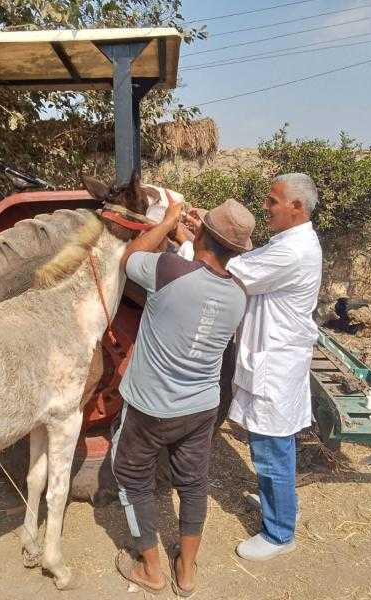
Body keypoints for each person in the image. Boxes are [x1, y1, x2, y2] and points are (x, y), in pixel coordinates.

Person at [112, 195, 255, 595]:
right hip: (201, 408)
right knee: (193, 485)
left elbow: (129, 255)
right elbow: (202, 283)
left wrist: (169, 221)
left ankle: (151, 570)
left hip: (149, 407)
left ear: (204, 233)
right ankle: (187, 572)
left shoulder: (168, 268)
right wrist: (192, 238)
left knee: (132, 479)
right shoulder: (239, 294)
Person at [182, 172, 322, 562]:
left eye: (272, 201)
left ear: (296, 206)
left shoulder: (292, 251)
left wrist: (192, 243)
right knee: (272, 443)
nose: (266, 207)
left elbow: (230, 271)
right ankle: (279, 507)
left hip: (275, 363)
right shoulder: (291, 242)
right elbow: (252, 259)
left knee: (271, 446)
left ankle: (279, 533)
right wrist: (206, 232)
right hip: (275, 358)